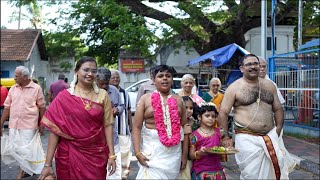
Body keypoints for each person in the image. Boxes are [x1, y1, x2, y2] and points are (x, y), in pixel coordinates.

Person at [218, 54, 296, 179]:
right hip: (246, 138)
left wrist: (278, 130)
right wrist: (225, 136)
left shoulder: (269, 85)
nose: (253, 66)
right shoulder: (234, 88)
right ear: (242, 68)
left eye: (256, 64)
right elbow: (223, 112)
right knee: (251, 174)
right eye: (249, 64)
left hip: (270, 136)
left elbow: (277, 108)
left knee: (276, 171)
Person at [38, 57, 116, 179]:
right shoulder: (64, 97)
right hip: (68, 153)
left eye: (94, 71)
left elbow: (108, 125)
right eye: (86, 70)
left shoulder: (103, 95)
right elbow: (55, 131)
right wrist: (47, 164)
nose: (90, 74)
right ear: (76, 71)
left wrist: (112, 155)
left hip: (95, 155)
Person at [132, 65, 188, 179]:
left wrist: (184, 156)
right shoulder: (145, 99)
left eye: (168, 76)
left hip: (173, 155)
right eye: (160, 76)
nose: (165, 79)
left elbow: (183, 129)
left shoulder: (179, 100)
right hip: (152, 153)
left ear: (172, 80)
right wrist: (137, 152)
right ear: (153, 80)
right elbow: (136, 127)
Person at [0, 66, 46, 179]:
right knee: (15, 149)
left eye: (16, 76)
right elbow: (7, 107)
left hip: (29, 125)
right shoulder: (13, 89)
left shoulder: (36, 88)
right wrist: (0, 123)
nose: (14, 78)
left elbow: (42, 107)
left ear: (25, 77)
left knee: (26, 149)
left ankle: (20, 173)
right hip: (14, 124)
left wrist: (42, 124)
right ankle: (29, 169)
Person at [96, 67, 124, 179]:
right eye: (101, 84)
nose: (104, 87)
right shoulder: (89, 92)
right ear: (96, 81)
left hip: (113, 136)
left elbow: (121, 106)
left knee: (114, 170)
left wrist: (117, 110)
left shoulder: (114, 90)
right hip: (95, 138)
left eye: (106, 84)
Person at [189, 102, 226, 179]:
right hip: (201, 170)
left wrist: (225, 148)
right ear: (199, 117)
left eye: (213, 116)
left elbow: (223, 148)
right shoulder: (194, 135)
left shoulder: (219, 132)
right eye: (207, 116)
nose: (211, 118)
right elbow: (191, 155)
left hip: (217, 169)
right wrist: (200, 153)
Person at [109, 70, 133, 178]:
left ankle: (123, 176)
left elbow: (128, 110)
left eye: (117, 77)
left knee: (125, 156)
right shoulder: (104, 92)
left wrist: (130, 125)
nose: (115, 79)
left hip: (123, 130)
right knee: (113, 156)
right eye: (113, 77)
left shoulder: (125, 93)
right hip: (110, 132)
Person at [178, 96, 200, 179]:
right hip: (178, 155)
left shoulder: (194, 123)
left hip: (190, 157)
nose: (189, 110)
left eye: (191, 108)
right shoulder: (176, 122)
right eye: (185, 107)